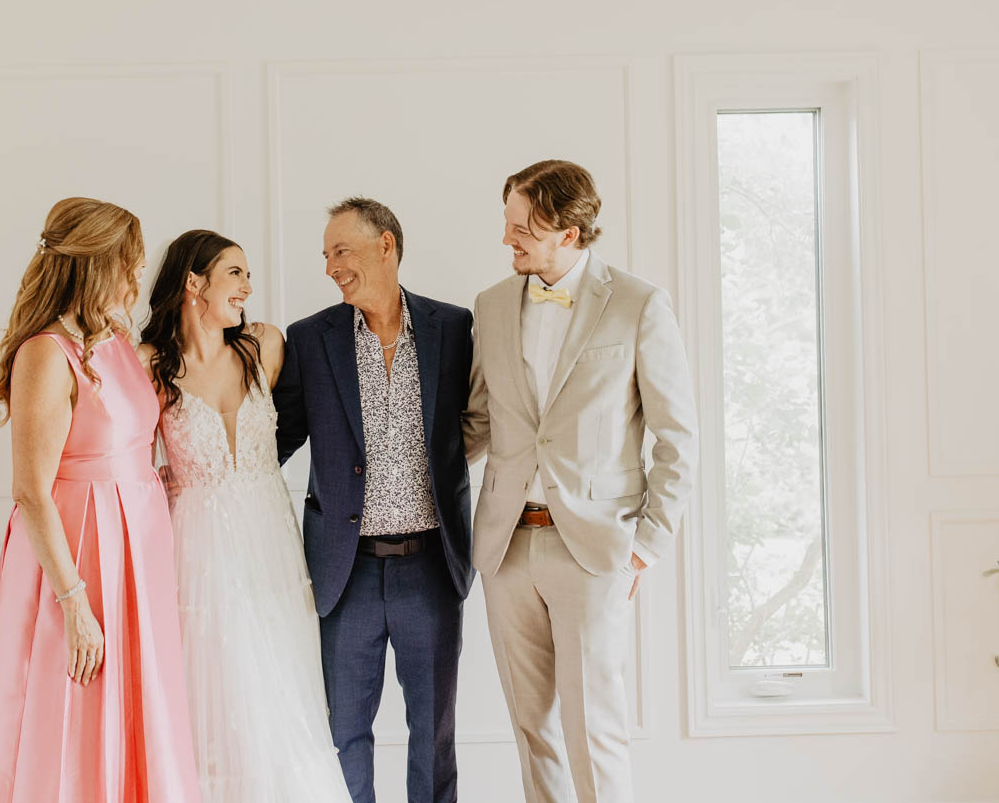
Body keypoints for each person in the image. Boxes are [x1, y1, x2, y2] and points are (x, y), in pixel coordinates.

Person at [463, 160, 698, 803]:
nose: (507, 239)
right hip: (507, 545)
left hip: (594, 549)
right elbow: (478, 422)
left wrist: (644, 547)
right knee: (529, 727)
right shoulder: (491, 305)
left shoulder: (639, 304)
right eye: (508, 224)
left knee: (594, 726)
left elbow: (678, 437)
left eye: (522, 230)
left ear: (568, 232)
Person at [0, 196, 200, 803]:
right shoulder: (46, 353)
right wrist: (74, 602)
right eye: (129, 263)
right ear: (95, 265)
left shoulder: (116, 340)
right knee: (73, 712)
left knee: (139, 704)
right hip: (77, 558)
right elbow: (30, 490)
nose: (137, 277)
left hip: (137, 555)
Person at [137, 229, 352, 803]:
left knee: (279, 688)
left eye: (248, 275)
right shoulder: (151, 365)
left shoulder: (265, 346)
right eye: (236, 273)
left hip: (270, 544)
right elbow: (130, 457)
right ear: (194, 282)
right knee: (215, 688)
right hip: (196, 549)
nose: (248, 288)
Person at [273, 197, 474, 803]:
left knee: (433, 736)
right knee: (344, 736)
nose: (331, 267)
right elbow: (275, 439)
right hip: (345, 571)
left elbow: (491, 420)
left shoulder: (453, 328)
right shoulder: (310, 339)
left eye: (342, 250)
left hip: (431, 568)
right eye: (326, 256)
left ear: (386, 245)